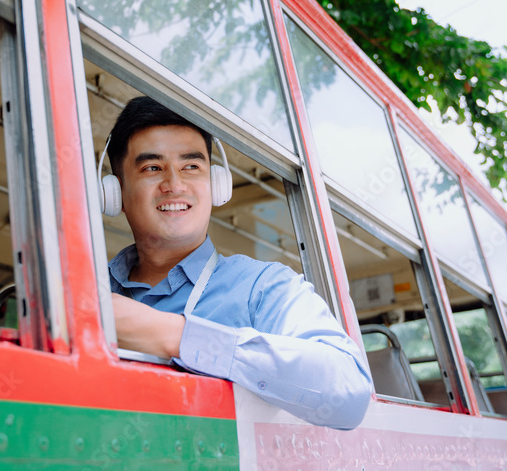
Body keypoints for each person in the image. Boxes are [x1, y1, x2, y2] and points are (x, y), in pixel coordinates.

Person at [104, 96, 372, 430]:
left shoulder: (264, 287)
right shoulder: (89, 288)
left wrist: (175, 336)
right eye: (152, 168)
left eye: (191, 166)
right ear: (115, 192)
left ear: (216, 186)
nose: (174, 184)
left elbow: (349, 393)